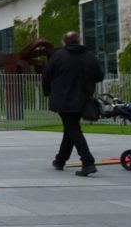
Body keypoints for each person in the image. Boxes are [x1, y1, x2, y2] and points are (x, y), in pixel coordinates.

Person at [42, 31, 104, 176]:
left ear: (64, 42)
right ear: (79, 40)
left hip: (63, 99)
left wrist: (48, 92)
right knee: (70, 129)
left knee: (73, 129)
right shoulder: (89, 56)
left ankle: (88, 162)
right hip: (83, 99)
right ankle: (60, 160)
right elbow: (99, 76)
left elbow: (46, 76)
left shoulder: (58, 56)